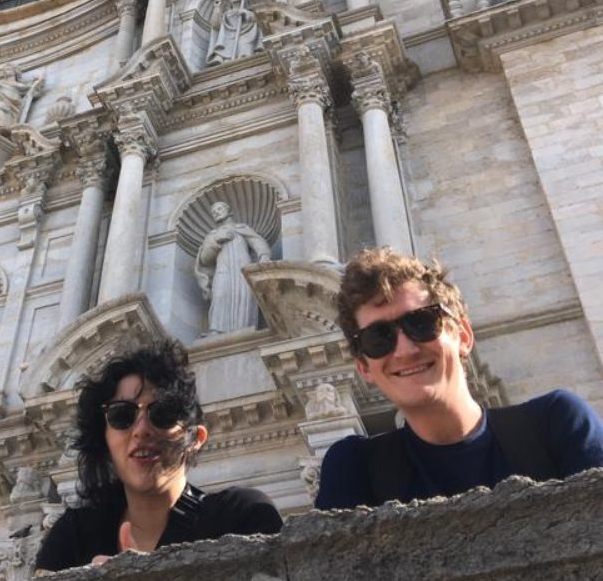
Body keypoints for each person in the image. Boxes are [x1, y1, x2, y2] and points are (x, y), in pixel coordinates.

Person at [315, 248, 603, 509]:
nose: (405, 350)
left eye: (421, 322)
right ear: (364, 367)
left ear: (463, 335)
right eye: (378, 337)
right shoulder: (353, 468)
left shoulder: (557, 425)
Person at [34, 339, 282, 572]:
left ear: (195, 438)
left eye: (162, 413)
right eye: (122, 415)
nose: (141, 430)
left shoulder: (241, 516)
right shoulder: (74, 536)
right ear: (104, 440)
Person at [195, 201, 271, 334]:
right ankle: (216, 330)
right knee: (220, 295)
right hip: (222, 270)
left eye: (219, 208)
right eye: (213, 212)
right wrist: (217, 240)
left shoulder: (241, 228)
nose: (216, 212)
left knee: (243, 295)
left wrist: (264, 256)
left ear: (228, 210)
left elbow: (257, 241)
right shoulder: (213, 235)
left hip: (242, 268)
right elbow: (205, 259)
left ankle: (244, 328)